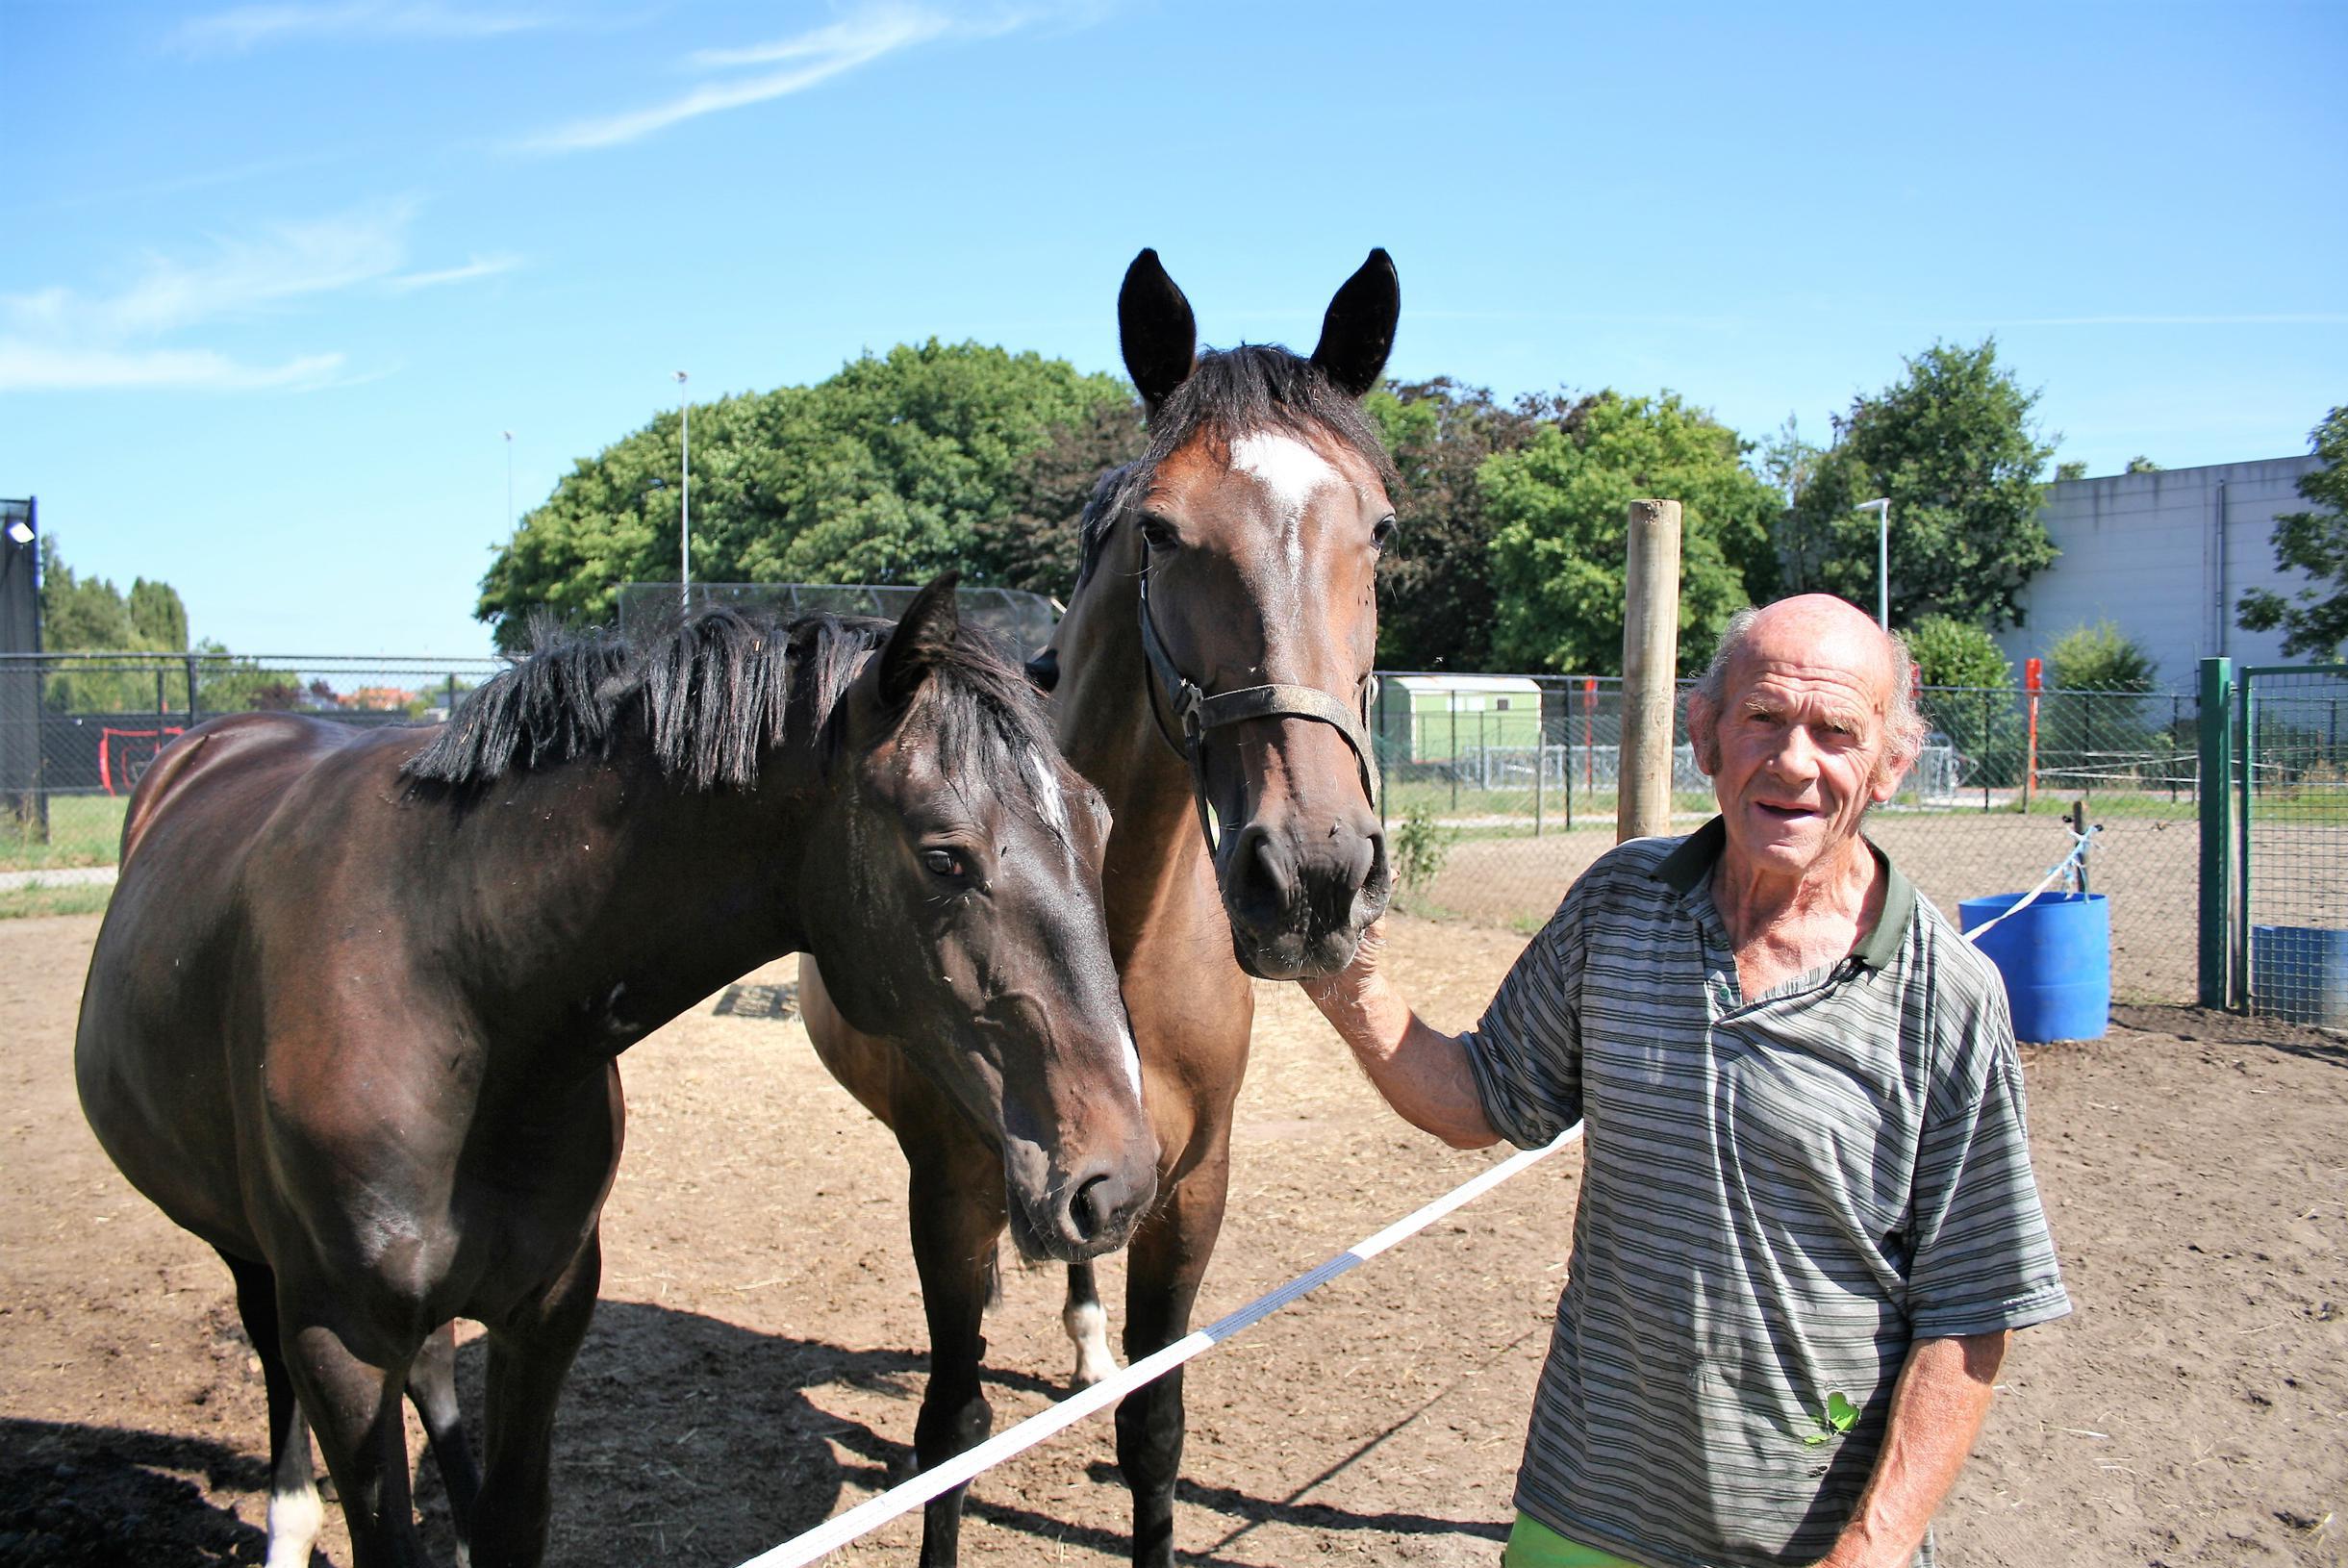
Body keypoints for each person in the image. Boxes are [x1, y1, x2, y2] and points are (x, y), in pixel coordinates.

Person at [1303, 594, 2070, 1568]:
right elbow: (1478, 1097)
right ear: (1704, 735)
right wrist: (1343, 976)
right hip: (1582, 1509)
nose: (1793, 760)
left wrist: (1868, 1549)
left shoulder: (1946, 995)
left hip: (1799, 1541)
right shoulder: (1619, 901)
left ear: (1889, 764)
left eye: (1835, 730)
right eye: (1762, 717)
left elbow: (1971, 1311)